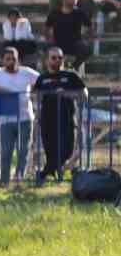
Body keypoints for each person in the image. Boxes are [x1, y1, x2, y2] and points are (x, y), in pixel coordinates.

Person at [0, 46, 38, 183]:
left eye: (13, 59)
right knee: (5, 151)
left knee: (23, 151)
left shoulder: (26, 72)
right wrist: (9, 94)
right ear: (3, 60)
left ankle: (19, 178)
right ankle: (4, 180)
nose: (11, 61)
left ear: (18, 59)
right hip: (5, 119)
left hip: (25, 117)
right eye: (8, 59)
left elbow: (41, 81)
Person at [32, 48, 86, 183]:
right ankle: (56, 176)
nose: (57, 60)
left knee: (66, 151)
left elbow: (84, 95)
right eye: (54, 58)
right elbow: (36, 100)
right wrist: (36, 117)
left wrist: (66, 93)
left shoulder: (71, 76)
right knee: (51, 152)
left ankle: (43, 174)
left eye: (60, 57)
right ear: (47, 60)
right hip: (47, 120)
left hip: (66, 119)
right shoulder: (42, 78)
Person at [44, 0, 93, 68]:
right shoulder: (55, 13)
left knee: (87, 50)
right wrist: (49, 39)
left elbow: (90, 26)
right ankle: (52, 72)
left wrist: (86, 38)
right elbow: (46, 28)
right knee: (46, 50)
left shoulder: (79, 13)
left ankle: (73, 67)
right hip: (58, 43)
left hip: (75, 43)